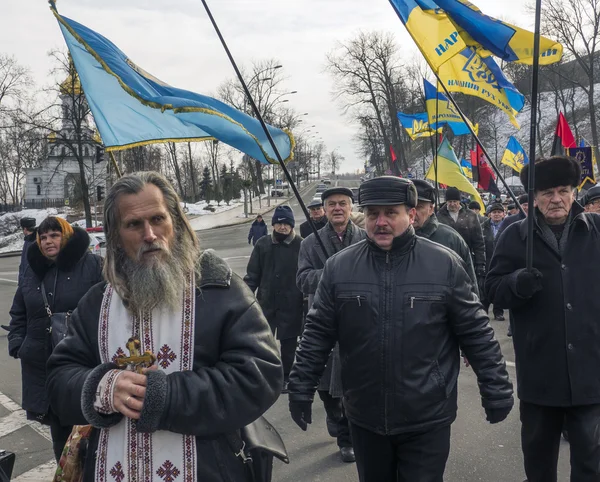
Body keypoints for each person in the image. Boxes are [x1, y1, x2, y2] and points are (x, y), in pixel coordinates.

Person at [46, 172, 283, 481]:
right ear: (115, 236)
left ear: (176, 223)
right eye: (134, 224)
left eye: (158, 219)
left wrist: (166, 396)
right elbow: (58, 378)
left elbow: (259, 376)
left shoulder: (221, 291)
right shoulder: (96, 304)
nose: (149, 234)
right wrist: (102, 387)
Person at [289, 176, 514, 482]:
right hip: (365, 417)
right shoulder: (338, 268)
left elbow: (476, 332)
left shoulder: (444, 264)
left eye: (390, 213)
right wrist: (301, 387)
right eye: (372, 214)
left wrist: (496, 388)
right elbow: (316, 333)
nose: (380, 222)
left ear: (410, 215)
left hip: (427, 416)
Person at [486, 156, 600, 482]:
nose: (556, 199)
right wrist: (515, 284)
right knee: (538, 462)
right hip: (540, 372)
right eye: (547, 192)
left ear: (574, 193)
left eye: (563, 190)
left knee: (590, 463)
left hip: (590, 372)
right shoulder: (514, 236)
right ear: (534, 197)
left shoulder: (596, 232)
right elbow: (492, 289)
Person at [7, 216, 103, 462]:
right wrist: (19, 344)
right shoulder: (32, 271)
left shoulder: (93, 265)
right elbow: (19, 311)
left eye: (54, 235)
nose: (48, 241)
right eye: (43, 237)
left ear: (67, 236)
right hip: (44, 364)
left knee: (90, 431)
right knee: (59, 434)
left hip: (84, 363)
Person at [296, 186, 367, 463]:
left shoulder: (363, 238)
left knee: (352, 381)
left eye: (343, 203)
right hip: (323, 320)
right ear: (324, 210)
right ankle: (333, 414)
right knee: (325, 383)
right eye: (332, 204)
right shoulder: (309, 243)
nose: (337, 208)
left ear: (351, 208)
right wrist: (332, 273)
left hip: (357, 319)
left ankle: (346, 436)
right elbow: (302, 280)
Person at [244, 205, 304, 394]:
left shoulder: (301, 245)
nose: (283, 227)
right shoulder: (263, 244)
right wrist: (245, 298)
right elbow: (252, 275)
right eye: (279, 223)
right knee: (264, 343)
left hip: (291, 304)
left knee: (289, 345)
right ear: (273, 225)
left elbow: (306, 276)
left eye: (286, 223)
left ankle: (286, 377)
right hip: (267, 303)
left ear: (292, 225)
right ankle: (267, 376)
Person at [412, 179, 478, 291]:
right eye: (408, 207)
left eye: (419, 207)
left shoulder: (452, 239)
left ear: (430, 209)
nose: (412, 213)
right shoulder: (388, 240)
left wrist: (480, 265)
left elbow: (469, 290)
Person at [437, 186, 486, 286]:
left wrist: (480, 263)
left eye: (455, 201)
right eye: (450, 201)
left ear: (459, 201)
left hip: (466, 259)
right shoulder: (439, 216)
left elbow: (478, 242)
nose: (452, 204)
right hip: (445, 260)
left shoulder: (471, 215)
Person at [481, 203, 506, 321]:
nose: (496, 214)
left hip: (502, 261)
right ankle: (483, 310)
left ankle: (498, 311)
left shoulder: (508, 227)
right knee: (485, 286)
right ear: (489, 214)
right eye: (494, 212)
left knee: (499, 287)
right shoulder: (482, 227)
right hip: (487, 260)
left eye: (499, 212)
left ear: (503, 214)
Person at [18, 217, 37, 285]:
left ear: (25, 229)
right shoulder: (30, 240)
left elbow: (25, 264)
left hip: (29, 283)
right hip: (26, 282)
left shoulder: (31, 242)